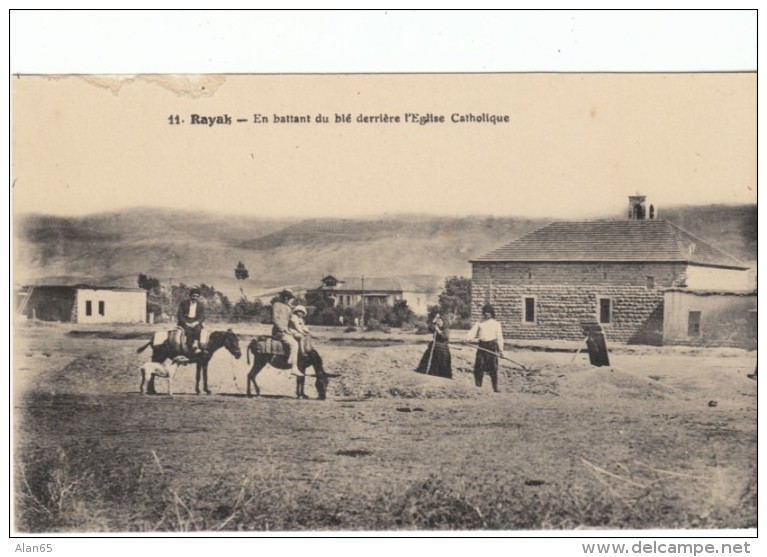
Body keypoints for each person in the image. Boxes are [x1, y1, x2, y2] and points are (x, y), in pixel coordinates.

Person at [466, 304, 504, 392]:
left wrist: (501, 350)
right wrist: (468, 338)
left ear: (492, 313)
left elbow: (499, 337)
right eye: (485, 312)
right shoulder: (480, 322)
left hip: (491, 347)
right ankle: (478, 387)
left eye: (488, 312)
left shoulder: (496, 324)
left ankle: (495, 387)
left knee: (493, 368)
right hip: (482, 346)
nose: (487, 314)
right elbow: (472, 332)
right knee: (479, 367)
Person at [272, 289, 302, 376]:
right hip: (279, 332)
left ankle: (297, 360)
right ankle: (294, 367)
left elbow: (292, 320)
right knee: (294, 344)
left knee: (300, 337)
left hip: (286, 330)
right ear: (281, 296)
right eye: (285, 296)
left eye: (288, 297)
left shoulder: (288, 307)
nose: (286, 298)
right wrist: (283, 330)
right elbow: (275, 319)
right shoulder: (276, 305)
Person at [415, 312, 452, 379]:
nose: (439, 323)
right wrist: (434, 320)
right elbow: (430, 327)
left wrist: (438, 330)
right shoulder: (435, 328)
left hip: (442, 350)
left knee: (442, 364)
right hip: (434, 347)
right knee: (430, 361)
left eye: (440, 321)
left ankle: (442, 376)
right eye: (438, 322)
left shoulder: (446, 329)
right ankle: (429, 373)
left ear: (443, 322)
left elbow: (444, 337)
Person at [177, 288, 205, 355]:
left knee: (198, 329)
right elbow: (179, 315)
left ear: (198, 297)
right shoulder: (184, 303)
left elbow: (202, 316)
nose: (195, 298)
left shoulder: (200, 305)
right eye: (193, 296)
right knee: (188, 332)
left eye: (197, 296)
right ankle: (189, 349)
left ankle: (196, 345)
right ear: (190, 296)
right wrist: (186, 323)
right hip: (185, 321)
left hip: (195, 321)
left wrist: (196, 322)